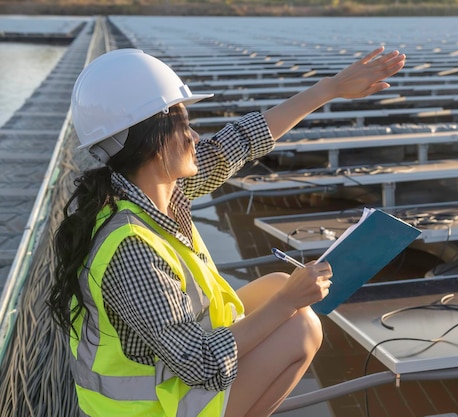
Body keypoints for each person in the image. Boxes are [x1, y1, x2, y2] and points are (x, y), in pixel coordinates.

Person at [48, 46, 405, 417]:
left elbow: (239, 143)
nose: (197, 137)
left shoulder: (156, 189)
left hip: (169, 369)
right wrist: (288, 303)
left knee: (277, 284)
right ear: (154, 142)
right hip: (152, 408)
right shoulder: (132, 250)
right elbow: (200, 365)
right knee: (301, 325)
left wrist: (330, 88)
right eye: (185, 127)